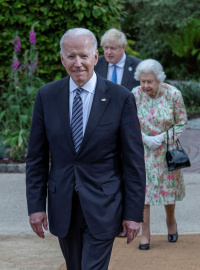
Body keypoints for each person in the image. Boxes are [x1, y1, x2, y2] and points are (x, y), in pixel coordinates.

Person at [26, 28, 146, 269]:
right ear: (62, 59)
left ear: (95, 57)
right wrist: (36, 207)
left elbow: (133, 162)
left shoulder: (120, 98)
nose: (77, 63)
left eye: (83, 55)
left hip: (104, 205)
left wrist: (133, 214)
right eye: (71, 56)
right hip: (63, 205)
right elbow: (36, 159)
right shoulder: (47, 96)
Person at [131, 59, 187, 250]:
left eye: (150, 82)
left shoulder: (173, 94)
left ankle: (170, 220)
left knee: (167, 191)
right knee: (144, 194)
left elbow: (181, 122)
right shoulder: (135, 95)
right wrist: (144, 138)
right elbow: (128, 123)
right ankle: (145, 233)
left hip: (167, 150)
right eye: (142, 81)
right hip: (143, 150)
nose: (145, 86)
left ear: (159, 80)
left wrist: (164, 136)